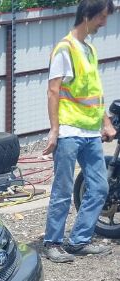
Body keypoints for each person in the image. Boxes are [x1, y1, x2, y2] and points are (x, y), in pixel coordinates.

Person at [42, 0, 116, 263]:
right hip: (69, 132)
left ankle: (78, 241)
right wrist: (54, 130)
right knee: (62, 190)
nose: (104, 23)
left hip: (89, 133)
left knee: (99, 187)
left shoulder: (90, 50)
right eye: (102, 17)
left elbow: (94, 93)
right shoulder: (65, 49)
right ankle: (52, 242)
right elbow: (53, 90)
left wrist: (105, 123)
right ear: (87, 15)